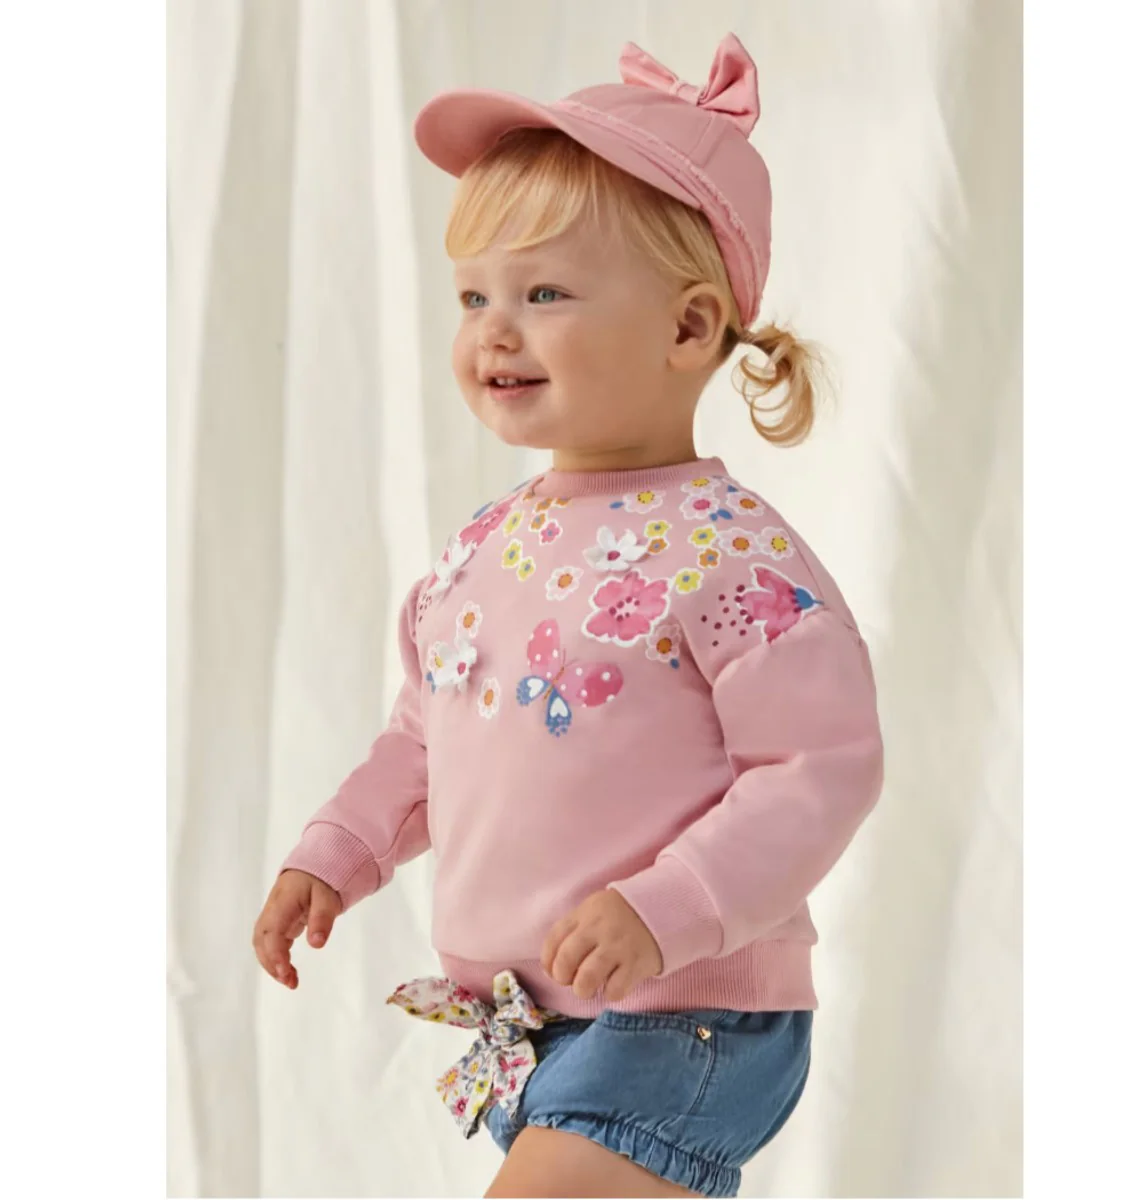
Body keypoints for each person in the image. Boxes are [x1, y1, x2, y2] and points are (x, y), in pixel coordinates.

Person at [252, 32, 884, 1199]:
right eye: (475, 295)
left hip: (686, 1011)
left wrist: (671, 905)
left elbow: (819, 767)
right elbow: (423, 743)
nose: (495, 328)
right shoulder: (483, 549)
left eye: (543, 293)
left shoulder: (733, 557)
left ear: (688, 328)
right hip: (531, 1018)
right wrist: (337, 854)